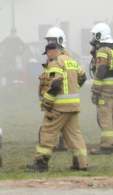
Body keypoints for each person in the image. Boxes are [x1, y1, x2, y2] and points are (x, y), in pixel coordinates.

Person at [27, 42, 88, 172]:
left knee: (47, 133)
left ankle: (41, 162)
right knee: (74, 135)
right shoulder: (71, 61)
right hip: (73, 106)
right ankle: (81, 164)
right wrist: (73, 91)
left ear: (51, 52)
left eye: (47, 54)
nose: (47, 57)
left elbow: (56, 83)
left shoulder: (55, 62)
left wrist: (47, 102)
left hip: (58, 107)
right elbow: (83, 77)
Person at [88, 23, 113, 154]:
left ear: (100, 35)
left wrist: (95, 90)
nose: (93, 38)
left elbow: (101, 70)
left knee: (104, 116)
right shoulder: (112, 48)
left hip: (105, 87)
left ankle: (107, 145)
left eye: (94, 35)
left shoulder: (102, 50)